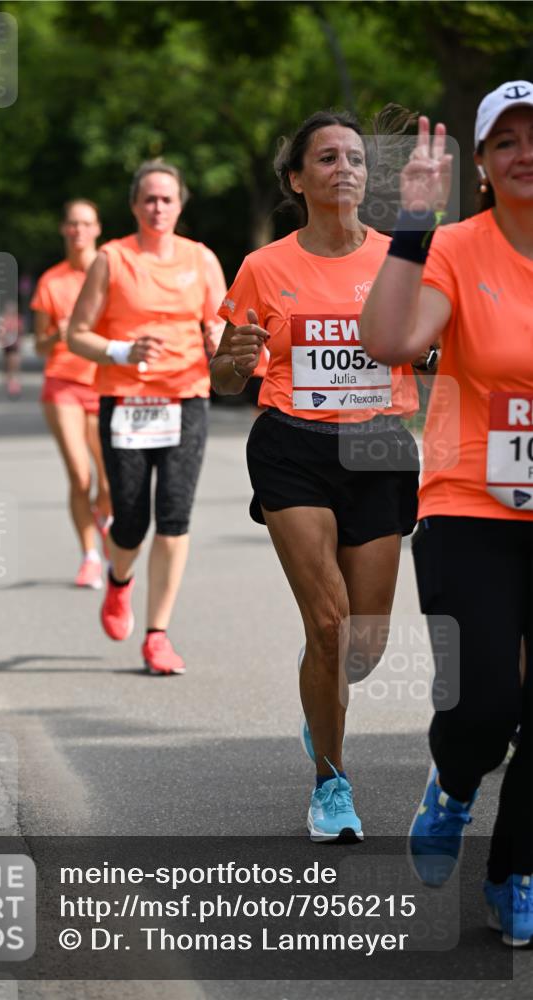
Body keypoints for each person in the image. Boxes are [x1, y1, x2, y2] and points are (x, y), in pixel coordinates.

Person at [210, 110, 421, 842]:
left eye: (355, 158)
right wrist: (233, 359)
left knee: (361, 646)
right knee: (328, 627)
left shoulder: (403, 261)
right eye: (326, 158)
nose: (344, 168)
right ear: (296, 179)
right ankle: (331, 781)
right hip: (291, 447)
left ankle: (319, 696)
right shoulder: (263, 268)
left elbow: (430, 344)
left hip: (379, 449)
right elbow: (228, 372)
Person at [359, 81, 533, 946]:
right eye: (505, 140)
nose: (525, 151)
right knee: (484, 704)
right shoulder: (457, 249)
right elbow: (389, 344)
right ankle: (454, 787)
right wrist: (412, 223)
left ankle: (515, 869)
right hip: (471, 500)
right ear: (478, 165)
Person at [67, 160, 227, 675]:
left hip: (186, 397)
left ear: (181, 205)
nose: (158, 207)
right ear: (135, 205)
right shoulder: (112, 259)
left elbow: (220, 323)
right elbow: (77, 334)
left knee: (175, 515)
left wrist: (218, 341)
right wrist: (121, 350)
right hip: (127, 401)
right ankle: (118, 582)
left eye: (167, 199)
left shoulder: (201, 259)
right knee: (131, 521)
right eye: (149, 199)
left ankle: (157, 634)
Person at [31, 199, 112, 588]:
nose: (79, 231)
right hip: (62, 382)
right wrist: (55, 335)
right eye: (72, 224)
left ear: (97, 229)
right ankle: (90, 556)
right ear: (64, 230)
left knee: (110, 481)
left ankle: (104, 521)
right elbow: (38, 346)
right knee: (80, 476)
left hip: (103, 382)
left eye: (86, 224)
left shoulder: (110, 271)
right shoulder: (51, 281)